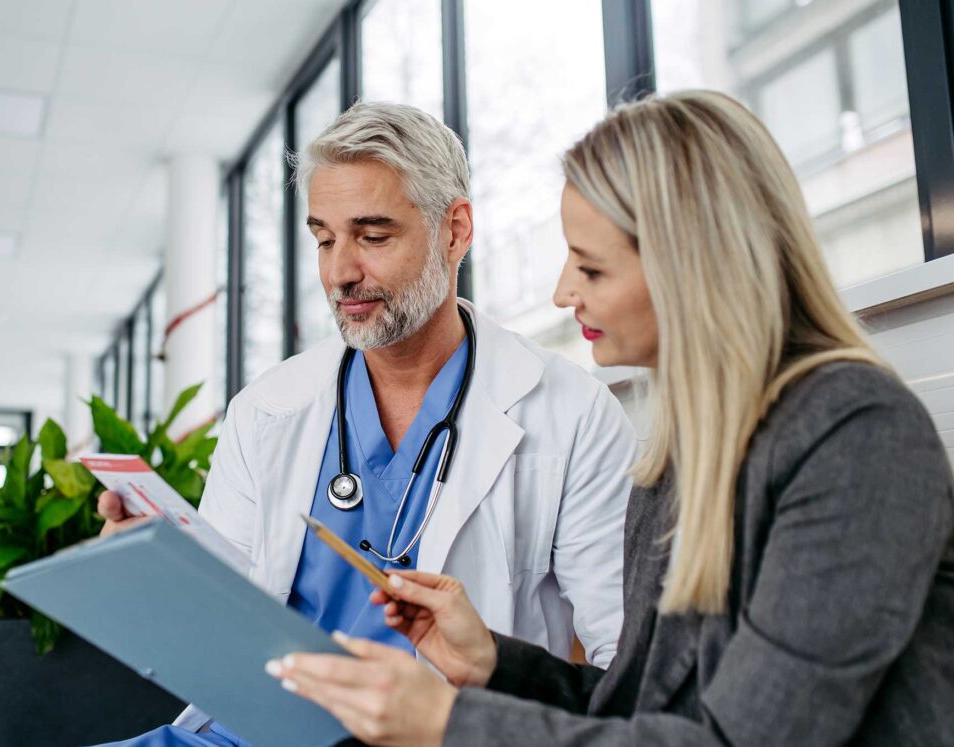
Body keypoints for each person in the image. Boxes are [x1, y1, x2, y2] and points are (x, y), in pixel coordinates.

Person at [269, 90, 954, 746]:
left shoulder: (858, 439)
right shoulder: (679, 460)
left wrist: (449, 724)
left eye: (591, 269)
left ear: (693, 267)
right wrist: (494, 664)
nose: (563, 292)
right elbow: (641, 710)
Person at [98, 102, 637, 746]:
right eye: (324, 239)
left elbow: (626, 666)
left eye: (373, 236)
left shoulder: (570, 412)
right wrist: (156, 571)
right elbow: (222, 631)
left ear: (455, 231)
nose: (338, 272)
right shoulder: (268, 409)